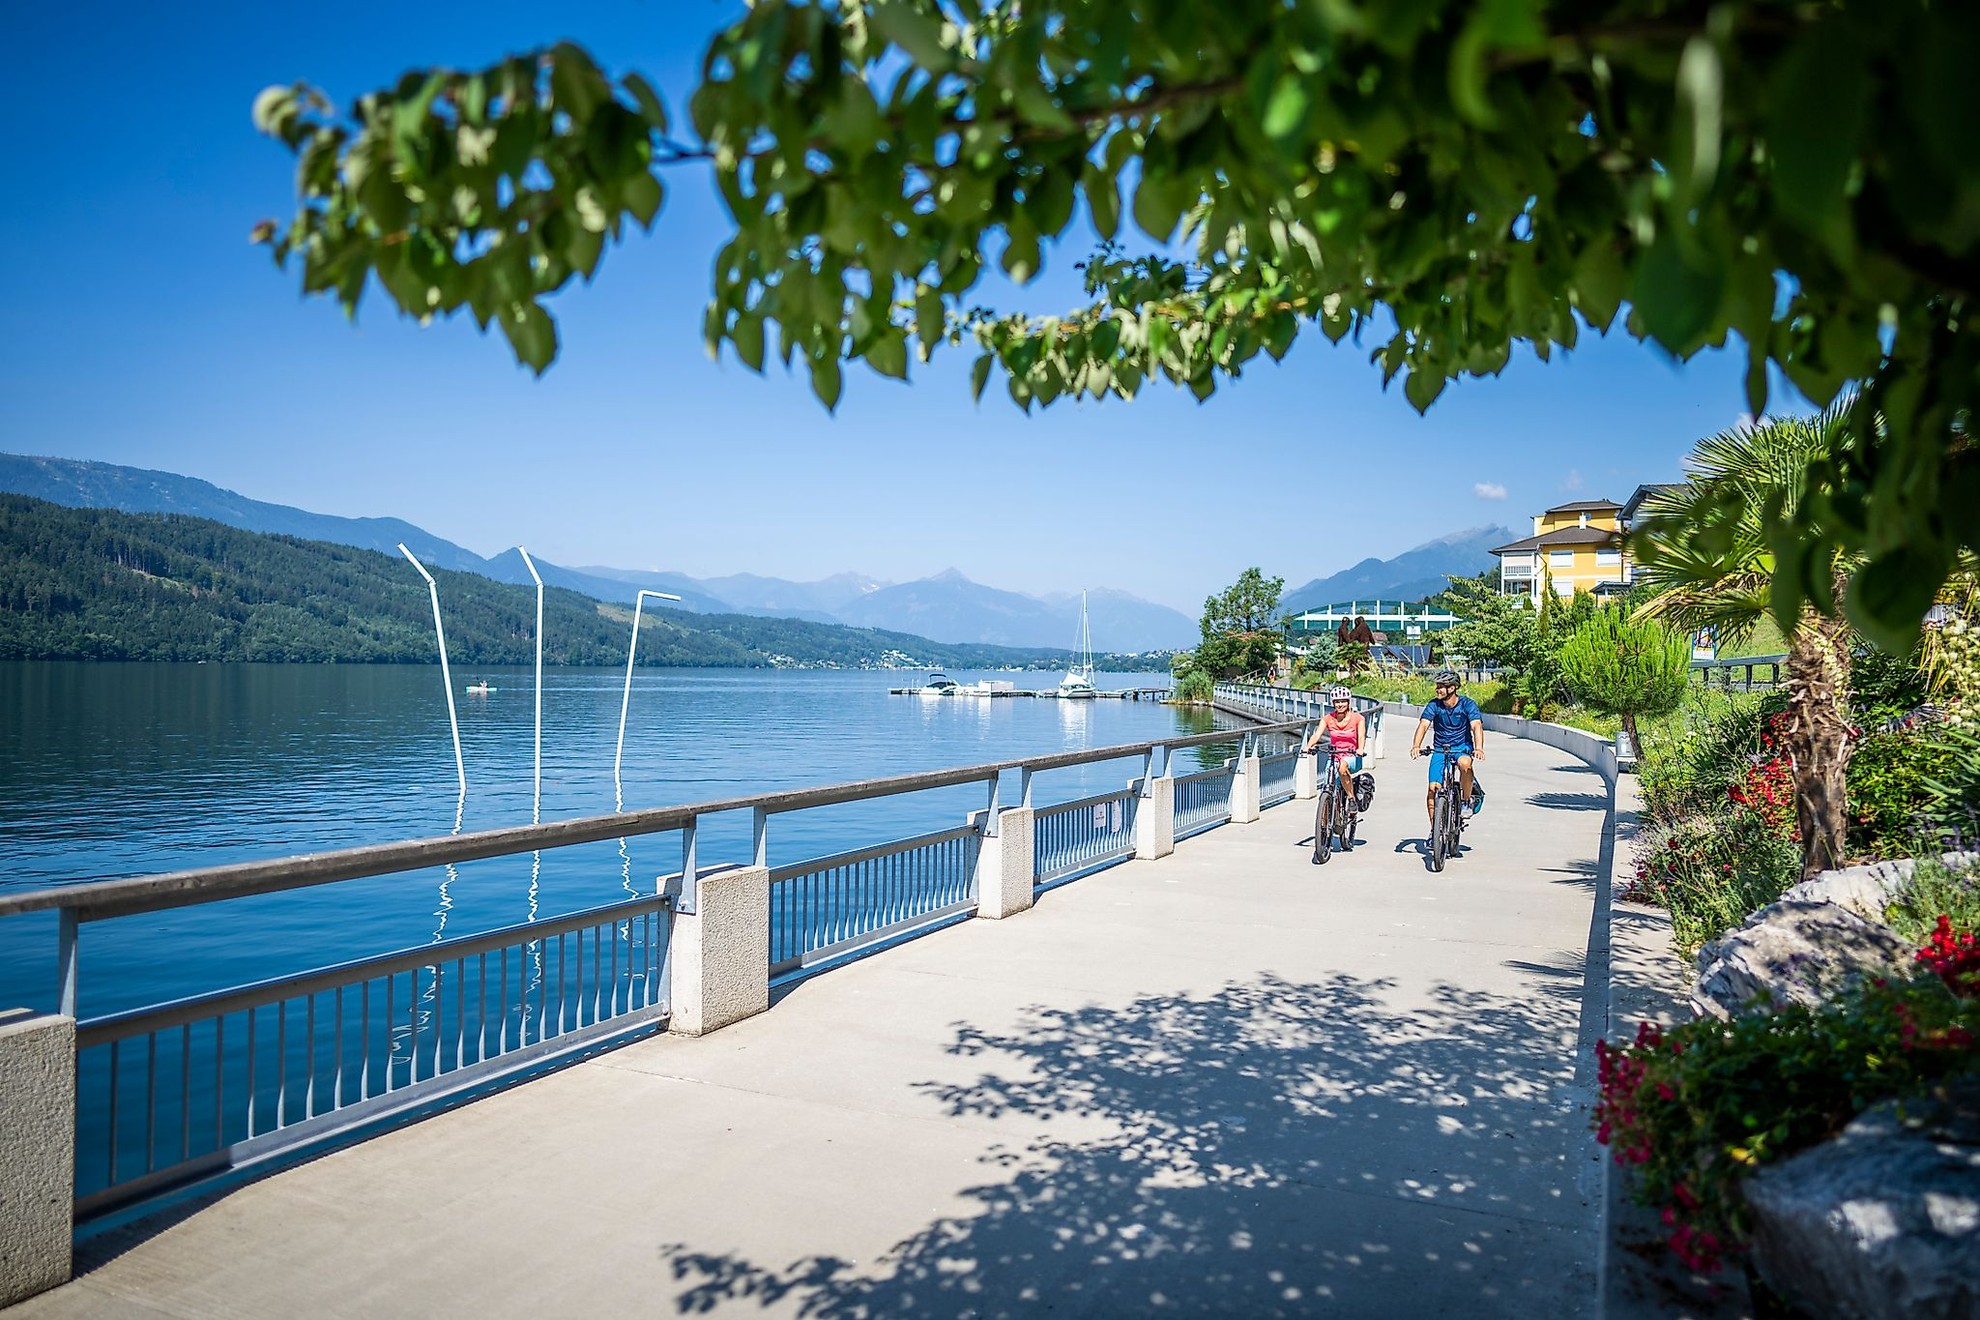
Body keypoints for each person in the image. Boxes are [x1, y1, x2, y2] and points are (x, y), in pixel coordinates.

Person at [1409, 670, 1485, 828]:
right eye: (1437, 686)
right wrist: (1416, 746)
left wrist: (1479, 748)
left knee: (1465, 764)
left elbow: (1476, 725)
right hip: (1440, 749)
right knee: (1432, 789)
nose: (1437, 689)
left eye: (1441, 686)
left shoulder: (1467, 704)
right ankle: (1434, 830)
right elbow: (1424, 724)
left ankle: (1465, 801)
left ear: (1452, 688)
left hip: (1462, 748)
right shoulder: (1434, 705)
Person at [1303, 686, 1374, 812]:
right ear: (1333, 703)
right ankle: (1325, 823)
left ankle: (1351, 799)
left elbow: (1361, 736)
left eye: (1343, 701)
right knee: (1326, 789)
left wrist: (1360, 749)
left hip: (1352, 757)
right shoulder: (1328, 719)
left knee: (1342, 767)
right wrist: (1308, 746)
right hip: (1334, 756)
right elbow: (1317, 734)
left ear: (1348, 702)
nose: (1340, 704)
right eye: (1336, 702)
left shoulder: (1358, 718)